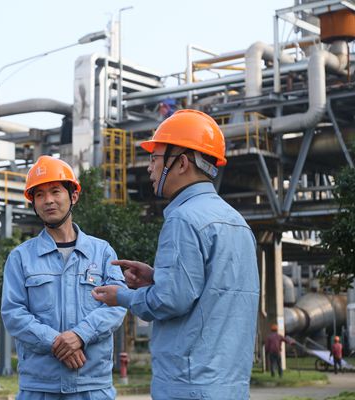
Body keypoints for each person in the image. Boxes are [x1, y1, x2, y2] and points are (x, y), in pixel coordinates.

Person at [91, 109, 260, 400]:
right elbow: (212, 291)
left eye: (155, 158)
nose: (150, 168)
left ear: (181, 163)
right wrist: (158, 277)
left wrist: (123, 296)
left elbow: (170, 301)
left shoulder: (183, 219)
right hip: (230, 385)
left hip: (188, 384)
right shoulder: (237, 222)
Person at [1, 155, 127, 400]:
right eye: (39, 194)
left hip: (92, 386)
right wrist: (56, 343)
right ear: (33, 203)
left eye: (55, 191)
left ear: (74, 196)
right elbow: (13, 314)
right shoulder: (21, 257)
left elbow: (117, 304)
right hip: (40, 387)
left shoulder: (102, 252)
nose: (48, 200)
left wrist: (80, 335)